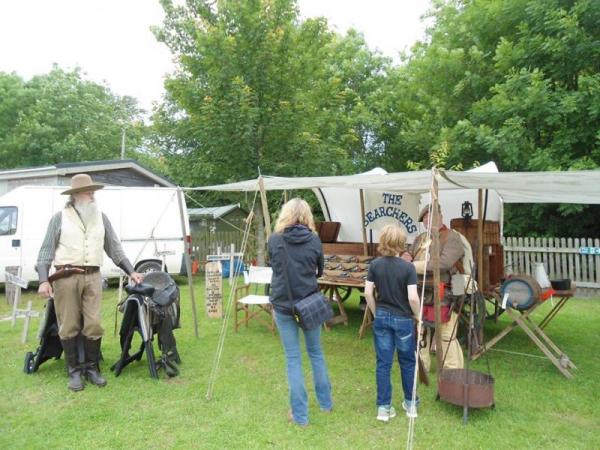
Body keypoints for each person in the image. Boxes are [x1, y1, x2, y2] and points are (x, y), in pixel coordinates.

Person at [36, 174, 144, 391]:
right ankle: (74, 371)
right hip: (65, 277)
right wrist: (42, 281)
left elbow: (115, 249)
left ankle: (92, 369)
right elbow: (45, 252)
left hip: (93, 277)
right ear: (75, 195)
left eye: (93, 191)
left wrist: (131, 271)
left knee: (93, 323)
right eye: (88, 191)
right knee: (68, 324)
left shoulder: (101, 218)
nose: (92, 195)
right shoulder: (59, 218)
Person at [267, 198, 333, 427]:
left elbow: (273, 266)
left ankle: (301, 416)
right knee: (316, 354)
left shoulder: (275, 240)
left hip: (284, 305)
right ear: (307, 216)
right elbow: (320, 270)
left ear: (285, 214)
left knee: (293, 359)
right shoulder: (314, 240)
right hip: (308, 303)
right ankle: (325, 404)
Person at [364, 224, 421, 421]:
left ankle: (383, 408)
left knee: (383, 363)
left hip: (382, 317)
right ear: (401, 243)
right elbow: (413, 298)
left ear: (383, 242)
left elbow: (367, 293)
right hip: (404, 319)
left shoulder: (375, 265)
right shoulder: (408, 267)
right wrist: (419, 316)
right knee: (407, 361)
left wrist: (375, 311)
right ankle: (411, 404)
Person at [403, 203, 466, 372]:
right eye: (424, 218)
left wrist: (413, 266)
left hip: (448, 290)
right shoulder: (420, 238)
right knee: (420, 330)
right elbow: (409, 252)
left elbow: (444, 264)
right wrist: (405, 255)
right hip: (422, 290)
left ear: (440, 216)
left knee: (446, 335)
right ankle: (421, 367)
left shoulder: (452, 237)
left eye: (431, 216)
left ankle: (453, 371)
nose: (427, 220)